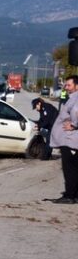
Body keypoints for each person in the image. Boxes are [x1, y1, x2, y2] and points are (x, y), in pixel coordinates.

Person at [49, 75, 78, 204]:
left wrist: (74, 124)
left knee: (69, 169)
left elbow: (76, 112)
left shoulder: (76, 98)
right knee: (74, 168)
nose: (66, 87)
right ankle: (74, 195)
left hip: (70, 140)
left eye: (69, 85)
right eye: (65, 85)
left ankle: (70, 196)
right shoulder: (71, 98)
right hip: (68, 139)